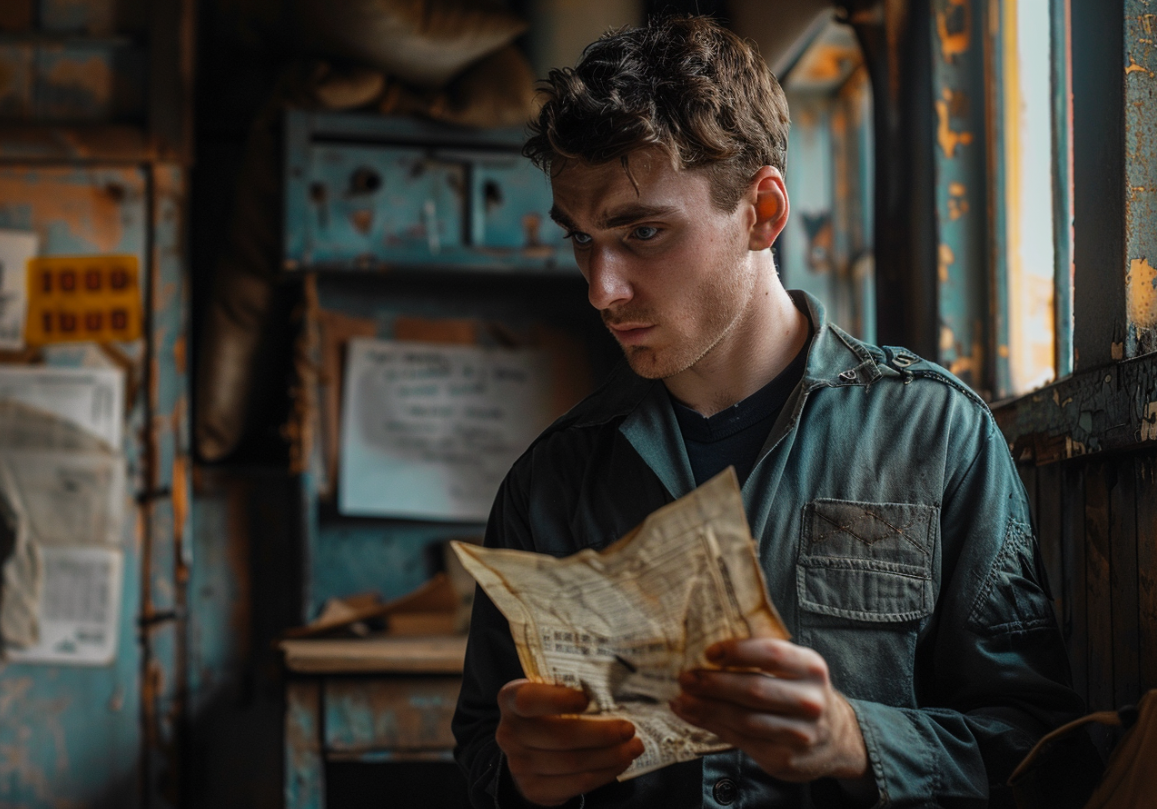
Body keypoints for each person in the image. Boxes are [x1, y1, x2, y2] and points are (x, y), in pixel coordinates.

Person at [452, 15, 1083, 809]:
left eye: (641, 231)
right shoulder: (550, 480)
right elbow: (479, 749)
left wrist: (856, 741)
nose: (600, 289)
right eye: (581, 239)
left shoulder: (935, 437)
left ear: (763, 211)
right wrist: (517, 772)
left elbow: (1044, 754)